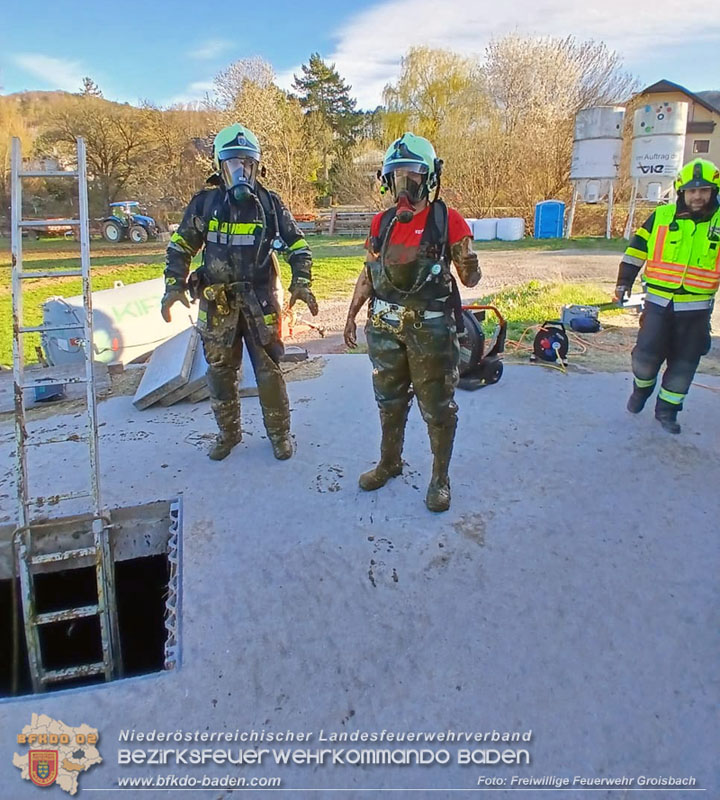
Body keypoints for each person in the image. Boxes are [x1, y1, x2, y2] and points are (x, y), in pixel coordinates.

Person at [161, 123, 318, 460]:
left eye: (247, 164)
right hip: (217, 304)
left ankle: (279, 436)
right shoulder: (205, 204)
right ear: (220, 166)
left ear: (257, 165)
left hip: (260, 303)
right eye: (233, 163)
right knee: (219, 372)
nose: (240, 171)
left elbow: (298, 245)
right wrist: (173, 285)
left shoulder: (270, 204)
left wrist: (302, 281)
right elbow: (180, 247)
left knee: (269, 371)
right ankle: (228, 435)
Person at [344, 132, 481, 512]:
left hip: (431, 332)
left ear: (429, 177)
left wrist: (469, 262)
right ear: (387, 179)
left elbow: (469, 279)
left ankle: (440, 479)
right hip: (385, 329)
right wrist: (351, 315)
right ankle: (389, 462)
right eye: (397, 174)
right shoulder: (381, 223)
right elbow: (369, 273)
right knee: (388, 402)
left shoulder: (446, 220)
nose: (404, 183)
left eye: (413, 174)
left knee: (437, 408)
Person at [615, 157, 719, 433]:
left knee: (684, 365)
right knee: (644, 359)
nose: (697, 196)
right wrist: (624, 282)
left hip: (696, 311)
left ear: (714, 191)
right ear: (681, 191)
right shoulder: (661, 217)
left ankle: (667, 411)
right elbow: (636, 251)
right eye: (692, 190)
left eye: (704, 190)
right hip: (658, 306)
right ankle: (641, 390)